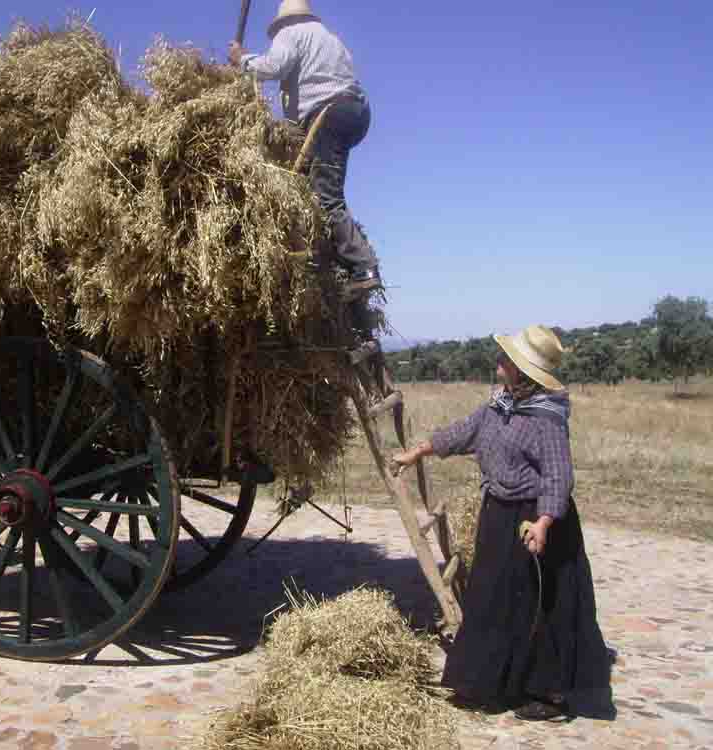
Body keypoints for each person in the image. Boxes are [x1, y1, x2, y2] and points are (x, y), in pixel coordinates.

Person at [392, 324, 614, 722]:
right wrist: (421, 450)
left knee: (539, 606)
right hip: (498, 515)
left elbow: (558, 475)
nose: (499, 361)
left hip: (536, 520)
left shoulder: (545, 418)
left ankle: (548, 692)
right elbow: (466, 432)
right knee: (494, 598)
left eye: (507, 358)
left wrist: (544, 522)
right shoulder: (500, 403)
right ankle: (491, 683)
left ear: (523, 371)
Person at [228, 0, 381, 301]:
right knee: (313, 187)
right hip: (353, 112)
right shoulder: (329, 37)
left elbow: (273, 66)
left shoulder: (290, 32)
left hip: (329, 112)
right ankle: (339, 264)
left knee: (326, 196)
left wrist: (243, 60)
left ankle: (364, 267)